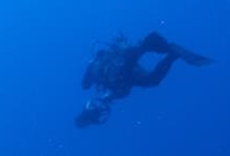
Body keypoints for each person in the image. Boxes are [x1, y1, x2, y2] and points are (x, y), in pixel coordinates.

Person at [75, 31, 212, 127]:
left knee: (123, 73)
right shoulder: (106, 93)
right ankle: (173, 54)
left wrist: (93, 104)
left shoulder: (96, 67)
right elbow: (122, 91)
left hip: (119, 67)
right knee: (152, 81)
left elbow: (86, 84)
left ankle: (145, 45)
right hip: (124, 71)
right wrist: (109, 96)